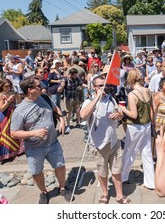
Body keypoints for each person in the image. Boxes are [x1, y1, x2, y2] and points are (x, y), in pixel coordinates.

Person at [10, 76, 72, 204]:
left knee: (60, 165)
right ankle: (43, 192)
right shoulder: (20, 110)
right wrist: (33, 133)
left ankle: (62, 187)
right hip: (34, 148)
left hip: (53, 142)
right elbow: (14, 133)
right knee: (36, 171)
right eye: (38, 86)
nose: (42, 87)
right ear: (30, 90)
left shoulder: (44, 97)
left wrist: (61, 121)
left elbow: (56, 109)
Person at [80, 74, 130, 204]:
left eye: (105, 85)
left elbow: (120, 115)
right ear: (94, 87)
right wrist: (96, 98)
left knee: (117, 170)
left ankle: (119, 195)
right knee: (102, 171)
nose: (103, 88)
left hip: (113, 141)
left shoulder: (111, 99)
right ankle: (105, 193)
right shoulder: (89, 101)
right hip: (99, 144)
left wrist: (118, 115)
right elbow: (83, 115)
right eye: (100, 86)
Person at [119, 69, 155, 190]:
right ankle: (150, 182)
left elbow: (133, 115)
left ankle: (123, 177)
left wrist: (122, 109)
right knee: (147, 153)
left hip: (135, 126)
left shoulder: (132, 94)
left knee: (129, 152)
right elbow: (153, 109)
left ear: (130, 79)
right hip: (147, 124)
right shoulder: (148, 91)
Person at [0, 79, 24, 162]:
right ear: (2, 86)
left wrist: (18, 98)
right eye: (6, 86)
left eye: (9, 86)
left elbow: (19, 102)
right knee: (6, 134)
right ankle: (9, 153)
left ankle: (17, 150)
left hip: (13, 113)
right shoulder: (0, 95)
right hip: (5, 116)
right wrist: (8, 100)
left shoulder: (11, 92)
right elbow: (1, 108)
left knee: (15, 131)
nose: (8, 88)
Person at [63, 68, 87, 134]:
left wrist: (87, 86)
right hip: (68, 98)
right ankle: (68, 126)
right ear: (71, 74)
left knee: (78, 110)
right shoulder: (65, 79)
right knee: (68, 112)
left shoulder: (76, 78)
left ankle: (78, 123)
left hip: (75, 96)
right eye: (75, 75)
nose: (76, 76)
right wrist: (60, 87)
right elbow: (61, 88)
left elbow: (82, 83)